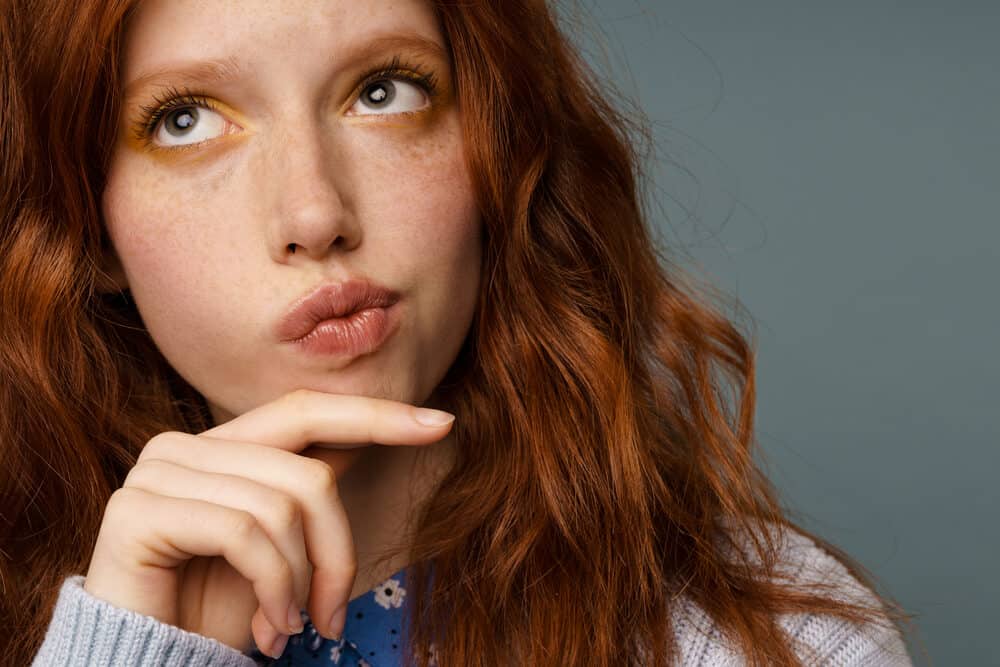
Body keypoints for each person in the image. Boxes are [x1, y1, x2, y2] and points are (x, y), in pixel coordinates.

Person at [0, 0, 920, 665]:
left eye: (384, 91)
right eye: (185, 119)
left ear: (499, 148)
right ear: (87, 224)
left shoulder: (774, 641)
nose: (315, 212)